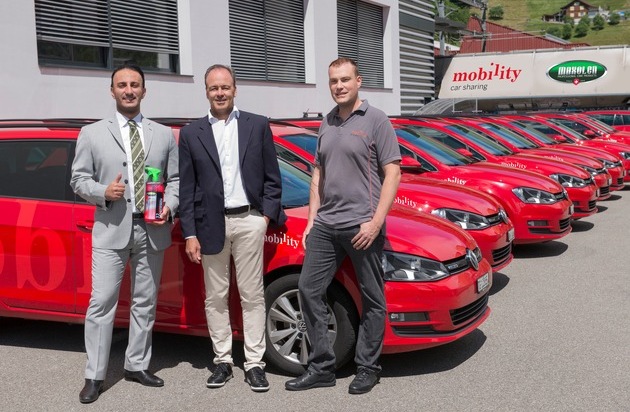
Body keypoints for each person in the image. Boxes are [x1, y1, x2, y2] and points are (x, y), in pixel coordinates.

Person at [285, 58, 401, 394]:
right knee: (308, 290)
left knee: (372, 298)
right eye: (334, 81)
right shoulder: (327, 122)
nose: (339, 86)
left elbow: (393, 172)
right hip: (326, 225)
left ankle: (368, 367)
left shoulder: (376, 120)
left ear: (358, 81)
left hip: (362, 226)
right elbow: (318, 173)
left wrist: (375, 223)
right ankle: (322, 367)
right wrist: (312, 220)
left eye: (345, 79)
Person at [71, 63, 179, 404]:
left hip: (152, 228)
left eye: (134, 84)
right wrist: (103, 191)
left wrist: (169, 205)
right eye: (122, 85)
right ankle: (95, 375)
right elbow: (78, 180)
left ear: (144, 90)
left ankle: (137, 365)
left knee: (145, 301)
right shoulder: (92, 133)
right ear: (112, 91)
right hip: (111, 228)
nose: (129, 90)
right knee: (102, 302)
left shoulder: (163, 134)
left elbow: (175, 180)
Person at [178, 64, 285, 392]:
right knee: (216, 297)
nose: (220, 93)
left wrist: (264, 218)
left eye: (225, 87)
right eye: (214, 88)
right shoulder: (191, 133)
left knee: (252, 295)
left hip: (249, 221)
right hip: (210, 224)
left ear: (235, 89)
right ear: (206, 92)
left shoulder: (257, 124)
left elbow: (272, 178)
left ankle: (254, 364)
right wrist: (190, 233)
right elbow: (187, 187)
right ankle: (222, 361)